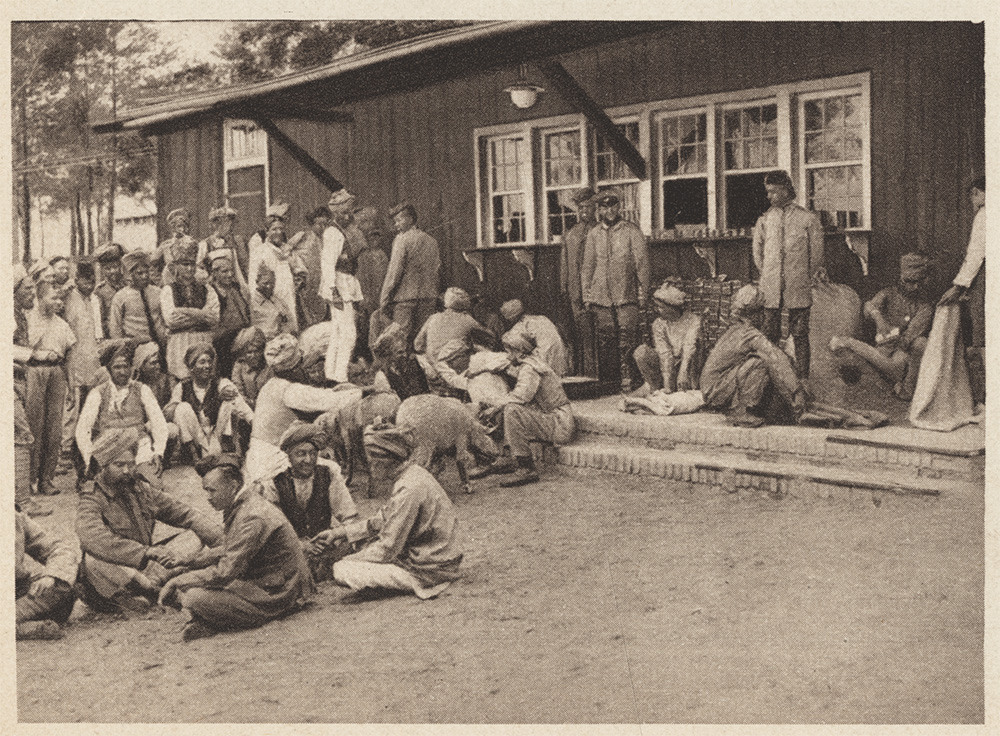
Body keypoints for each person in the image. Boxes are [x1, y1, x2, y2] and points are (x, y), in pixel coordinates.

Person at [158, 454, 313, 641]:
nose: (208, 497)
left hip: (281, 593)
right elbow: (232, 547)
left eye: (211, 491)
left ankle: (218, 620)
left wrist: (178, 580)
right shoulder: (245, 504)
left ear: (232, 487)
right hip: (270, 583)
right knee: (194, 586)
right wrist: (187, 561)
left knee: (193, 596)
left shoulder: (251, 515)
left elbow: (225, 572)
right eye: (205, 491)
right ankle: (213, 620)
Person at [76, 427, 223, 614]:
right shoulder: (91, 498)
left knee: (195, 534)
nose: (127, 471)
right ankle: (156, 591)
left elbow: (185, 514)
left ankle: (150, 589)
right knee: (93, 558)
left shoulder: (140, 489)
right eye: (119, 465)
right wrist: (145, 552)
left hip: (145, 568)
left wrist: (225, 545)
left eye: (130, 464)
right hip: (114, 574)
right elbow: (94, 539)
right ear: (104, 466)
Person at [329, 442, 462, 600]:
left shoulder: (408, 489)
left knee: (341, 569)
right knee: (360, 546)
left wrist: (345, 559)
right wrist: (339, 533)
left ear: (384, 461)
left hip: (431, 569)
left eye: (372, 462)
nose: (370, 468)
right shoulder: (413, 473)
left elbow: (388, 548)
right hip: (440, 559)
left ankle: (401, 585)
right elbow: (383, 519)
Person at [244, 334, 363, 484]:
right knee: (332, 470)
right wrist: (363, 392)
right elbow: (331, 401)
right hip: (273, 461)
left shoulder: (270, 386)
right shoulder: (290, 390)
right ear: (295, 366)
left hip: (256, 457)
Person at [257, 423, 359, 581]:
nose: (308, 460)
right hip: (290, 547)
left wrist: (333, 537)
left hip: (324, 545)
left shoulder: (328, 474)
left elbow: (349, 517)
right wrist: (300, 544)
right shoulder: (275, 483)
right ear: (289, 456)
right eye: (301, 454)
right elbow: (272, 528)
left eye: (313, 453)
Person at [700, 284, 809, 427]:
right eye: (761, 312)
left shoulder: (735, 329)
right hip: (716, 390)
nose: (764, 316)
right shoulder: (749, 334)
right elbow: (776, 358)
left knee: (764, 363)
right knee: (761, 362)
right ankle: (740, 413)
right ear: (754, 314)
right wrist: (797, 390)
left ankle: (743, 409)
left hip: (713, 388)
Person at [829, 252, 933, 401]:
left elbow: (908, 338)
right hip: (883, 346)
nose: (914, 287)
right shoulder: (888, 294)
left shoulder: (924, 306)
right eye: (909, 281)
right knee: (883, 363)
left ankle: (849, 342)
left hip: (902, 349)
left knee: (909, 354)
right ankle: (894, 380)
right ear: (901, 279)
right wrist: (879, 319)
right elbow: (868, 306)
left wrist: (894, 337)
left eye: (918, 282)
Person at [752, 170, 825, 378]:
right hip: (771, 290)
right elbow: (758, 255)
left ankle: (802, 379)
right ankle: (770, 378)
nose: (769, 196)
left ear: (786, 190)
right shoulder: (765, 220)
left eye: (773, 192)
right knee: (769, 335)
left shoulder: (807, 219)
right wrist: (769, 276)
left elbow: (816, 256)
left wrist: (801, 277)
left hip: (798, 287)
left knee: (800, 335)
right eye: (768, 192)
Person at [581, 192, 650, 392]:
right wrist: (588, 294)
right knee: (606, 340)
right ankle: (611, 382)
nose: (609, 211)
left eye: (613, 207)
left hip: (626, 294)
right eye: (605, 208)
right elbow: (588, 266)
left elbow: (642, 264)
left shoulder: (631, 231)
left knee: (630, 337)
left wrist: (643, 292)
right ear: (600, 210)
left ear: (619, 208)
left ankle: (636, 381)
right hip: (601, 296)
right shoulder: (594, 234)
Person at [76, 340, 170, 483]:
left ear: (132, 368)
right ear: (109, 370)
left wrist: (158, 452)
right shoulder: (98, 393)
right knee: (108, 487)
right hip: (109, 448)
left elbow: (159, 423)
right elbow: (83, 429)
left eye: (126, 367)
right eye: (117, 367)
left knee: (152, 487)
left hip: (139, 445)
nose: (122, 372)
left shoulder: (142, 389)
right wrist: (89, 459)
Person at [491, 332, 575, 487]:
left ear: (519, 352)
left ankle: (526, 467)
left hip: (559, 423)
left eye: (510, 352)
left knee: (511, 409)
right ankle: (510, 457)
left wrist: (496, 406)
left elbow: (521, 396)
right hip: (553, 418)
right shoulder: (531, 364)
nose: (508, 356)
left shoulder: (530, 368)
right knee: (505, 406)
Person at [25, 278, 76, 496]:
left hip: (57, 373)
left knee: (54, 429)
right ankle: (28, 480)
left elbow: (70, 354)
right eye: (52, 297)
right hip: (35, 371)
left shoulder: (62, 324)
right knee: (34, 427)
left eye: (59, 297)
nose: (58, 301)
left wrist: (71, 384)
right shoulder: (29, 319)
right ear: (40, 297)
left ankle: (47, 479)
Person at [938, 175, 985, 404]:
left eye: (972, 196)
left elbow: (975, 255)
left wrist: (958, 286)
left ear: (977, 192)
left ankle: (988, 401)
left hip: (985, 280)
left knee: (983, 338)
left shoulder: (985, 215)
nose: (972, 201)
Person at [166, 344, 253, 461]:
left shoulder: (220, 383)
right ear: (192, 366)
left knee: (229, 398)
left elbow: (241, 406)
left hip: (216, 437)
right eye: (202, 362)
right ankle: (194, 455)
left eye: (209, 362)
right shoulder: (182, 386)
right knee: (182, 408)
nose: (207, 366)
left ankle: (225, 447)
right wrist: (174, 408)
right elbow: (170, 412)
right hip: (196, 438)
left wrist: (255, 423)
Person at [61, 259, 105, 464]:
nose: (90, 285)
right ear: (77, 280)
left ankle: (84, 448)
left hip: (91, 359)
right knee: (73, 404)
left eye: (93, 281)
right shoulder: (69, 298)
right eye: (86, 281)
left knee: (90, 404)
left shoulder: (93, 299)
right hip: (74, 359)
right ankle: (65, 449)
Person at [380, 202, 441, 345]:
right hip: (428, 297)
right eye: (395, 221)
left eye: (399, 220)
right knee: (423, 340)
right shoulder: (432, 241)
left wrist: (384, 299)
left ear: (411, 219)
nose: (396, 225)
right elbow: (437, 270)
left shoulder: (402, 239)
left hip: (405, 299)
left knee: (400, 340)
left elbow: (394, 272)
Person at [160, 240, 220, 381]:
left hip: (203, 339)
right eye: (185, 265)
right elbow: (171, 320)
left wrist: (184, 312)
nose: (189, 269)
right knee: (182, 381)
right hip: (180, 343)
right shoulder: (168, 290)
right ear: (176, 266)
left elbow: (214, 318)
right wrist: (201, 314)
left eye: (192, 264)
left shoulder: (207, 289)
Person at [16, 505, 78, 640]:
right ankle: (22, 628)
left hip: (18, 594)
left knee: (64, 585)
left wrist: (51, 575)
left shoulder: (14, 518)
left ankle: (14, 623)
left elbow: (58, 548)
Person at [632, 283, 702, 395]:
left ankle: (690, 388)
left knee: (696, 350)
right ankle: (655, 389)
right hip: (668, 366)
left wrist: (683, 372)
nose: (658, 310)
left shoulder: (693, 320)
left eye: (661, 307)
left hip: (687, 365)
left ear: (672, 307)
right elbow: (664, 353)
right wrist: (667, 385)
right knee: (641, 352)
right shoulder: (658, 324)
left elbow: (689, 347)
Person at [563, 187, 598, 376]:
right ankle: (580, 371)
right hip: (575, 291)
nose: (584, 211)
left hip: (595, 290)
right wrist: (565, 285)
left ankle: (594, 372)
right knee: (577, 331)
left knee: (594, 332)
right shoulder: (571, 233)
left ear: (595, 209)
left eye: (588, 207)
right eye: (581, 208)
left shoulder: (600, 231)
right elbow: (565, 261)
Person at [249, 204, 299, 335]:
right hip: (270, 303)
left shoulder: (286, 250)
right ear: (267, 231)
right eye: (274, 229)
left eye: (280, 229)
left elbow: (297, 271)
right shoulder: (260, 252)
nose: (278, 232)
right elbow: (253, 283)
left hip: (288, 298)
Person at [415, 288, 489, 365]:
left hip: (432, 365)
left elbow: (417, 345)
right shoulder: (467, 319)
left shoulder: (433, 317)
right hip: (454, 367)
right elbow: (489, 336)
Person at [108, 250, 167, 347]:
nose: (145, 276)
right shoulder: (121, 296)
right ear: (131, 275)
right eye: (140, 273)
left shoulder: (159, 293)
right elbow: (115, 328)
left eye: (147, 272)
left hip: (161, 345)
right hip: (134, 346)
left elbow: (165, 319)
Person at [209, 249, 252, 378]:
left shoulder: (235, 287)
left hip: (241, 335)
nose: (229, 274)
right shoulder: (212, 291)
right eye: (224, 271)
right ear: (215, 273)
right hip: (223, 341)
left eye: (230, 271)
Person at [499, 299, 569, 377]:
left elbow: (515, 350)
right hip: (559, 365)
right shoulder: (542, 318)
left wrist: (518, 359)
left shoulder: (519, 329)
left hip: (545, 364)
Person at [371, 322, 429, 400]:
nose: (405, 355)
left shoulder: (418, 362)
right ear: (389, 354)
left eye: (405, 351)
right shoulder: (382, 376)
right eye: (399, 353)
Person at [200, 204, 249, 287]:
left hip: (238, 284)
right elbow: (199, 268)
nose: (229, 226)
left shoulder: (238, 241)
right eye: (224, 222)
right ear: (215, 224)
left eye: (230, 221)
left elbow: (245, 265)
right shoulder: (206, 244)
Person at [289, 205, 332, 299]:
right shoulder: (302, 235)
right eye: (320, 224)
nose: (323, 227)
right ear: (312, 224)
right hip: (302, 277)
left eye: (326, 225)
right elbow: (287, 250)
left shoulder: (326, 240)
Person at [154, 208, 204, 286]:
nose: (182, 229)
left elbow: (198, 262)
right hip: (169, 280)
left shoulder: (192, 243)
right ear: (172, 228)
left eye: (184, 226)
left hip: (189, 280)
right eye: (179, 226)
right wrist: (159, 281)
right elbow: (153, 262)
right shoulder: (166, 245)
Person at [230, 326, 273, 409]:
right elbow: (238, 392)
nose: (253, 356)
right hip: (246, 410)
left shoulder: (269, 366)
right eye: (249, 352)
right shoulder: (239, 365)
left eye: (257, 351)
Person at [251, 262, 295, 340]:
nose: (269, 286)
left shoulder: (279, 301)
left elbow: (290, 321)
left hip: (282, 340)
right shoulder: (251, 303)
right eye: (265, 283)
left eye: (272, 283)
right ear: (257, 282)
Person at [94, 243, 127, 336]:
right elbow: (100, 320)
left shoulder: (128, 285)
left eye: (115, 267)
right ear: (102, 270)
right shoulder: (99, 291)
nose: (112, 271)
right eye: (108, 268)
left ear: (120, 266)